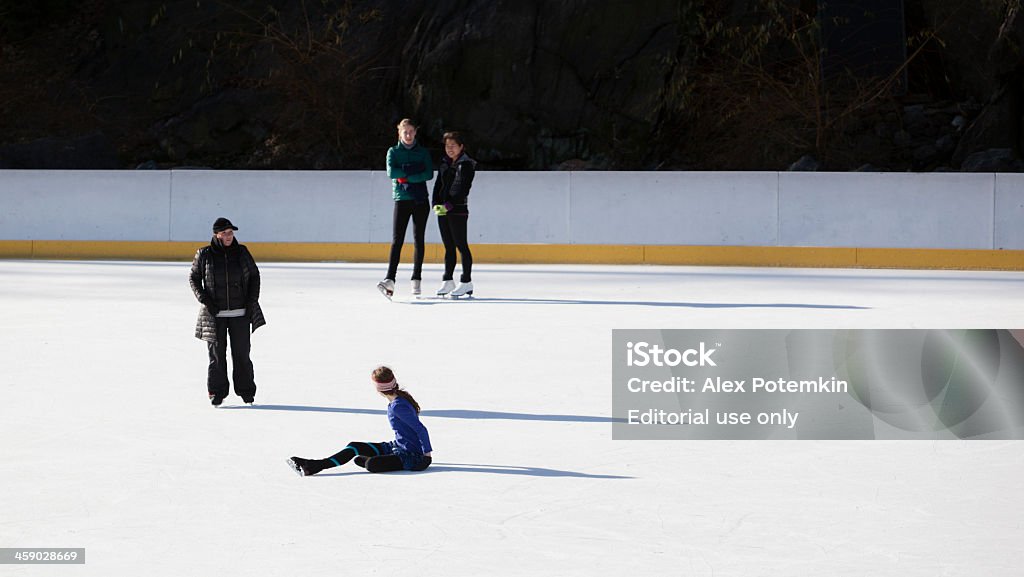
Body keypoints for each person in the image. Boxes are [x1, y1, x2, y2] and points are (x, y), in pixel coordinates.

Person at [287, 366, 433, 475]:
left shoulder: (398, 406)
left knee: (371, 465)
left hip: (410, 456)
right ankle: (314, 465)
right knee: (354, 446)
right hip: (397, 446)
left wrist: (426, 456)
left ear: (378, 388)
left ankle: (314, 466)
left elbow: (420, 429)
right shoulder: (399, 399)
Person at [189, 217, 266, 407]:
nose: (229, 236)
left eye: (231, 233)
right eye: (225, 233)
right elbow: (194, 278)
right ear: (216, 234)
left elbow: (255, 276)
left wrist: (251, 302)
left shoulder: (242, 252)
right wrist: (206, 301)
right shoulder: (204, 254)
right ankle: (216, 393)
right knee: (216, 357)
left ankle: (247, 392)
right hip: (214, 315)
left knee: (242, 355)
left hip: (240, 314)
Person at [378, 118, 434, 299]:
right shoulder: (393, 151)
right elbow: (391, 173)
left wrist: (406, 173)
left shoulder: (423, 152)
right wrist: (414, 170)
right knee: (397, 240)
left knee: (419, 239)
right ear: (399, 133)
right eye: (405, 132)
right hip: (401, 199)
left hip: (420, 200)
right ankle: (390, 279)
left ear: (415, 132)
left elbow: (428, 174)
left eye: (411, 132)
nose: (408, 135)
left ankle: (416, 278)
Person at [431, 131, 476, 298]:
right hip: (442, 209)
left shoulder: (467, 164)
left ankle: (466, 281)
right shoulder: (444, 163)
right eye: (447, 146)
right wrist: (435, 203)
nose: (449, 149)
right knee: (448, 246)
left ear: (461, 147)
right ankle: (448, 279)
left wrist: (449, 205)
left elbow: (463, 188)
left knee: (461, 245)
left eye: (453, 146)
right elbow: (438, 184)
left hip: (458, 210)